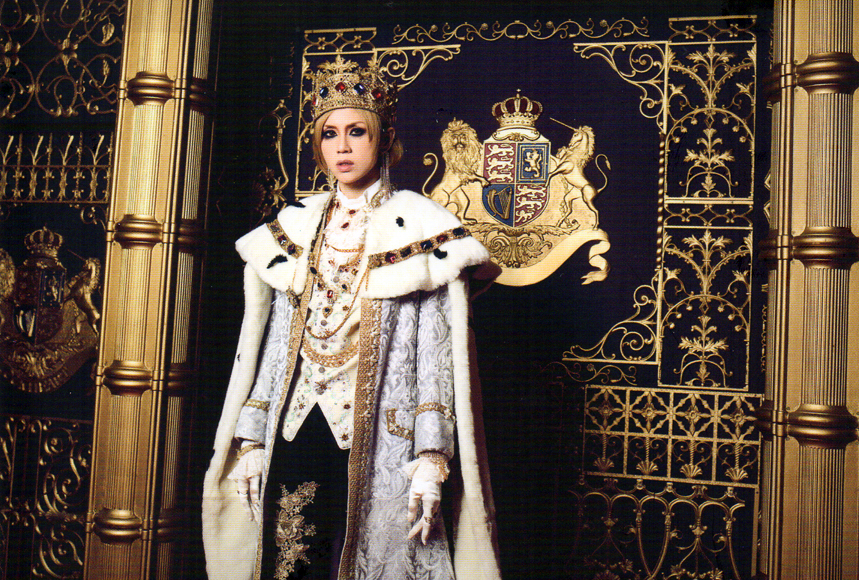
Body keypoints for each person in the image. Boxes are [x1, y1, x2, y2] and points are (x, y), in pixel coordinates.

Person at [202, 56, 501, 580]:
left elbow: (435, 356)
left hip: (387, 431)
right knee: (292, 563)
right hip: (298, 420)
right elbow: (275, 342)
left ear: (383, 140)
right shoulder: (299, 224)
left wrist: (432, 456)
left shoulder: (421, 226)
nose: (342, 147)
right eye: (330, 134)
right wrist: (252, 437)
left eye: (357, 132)